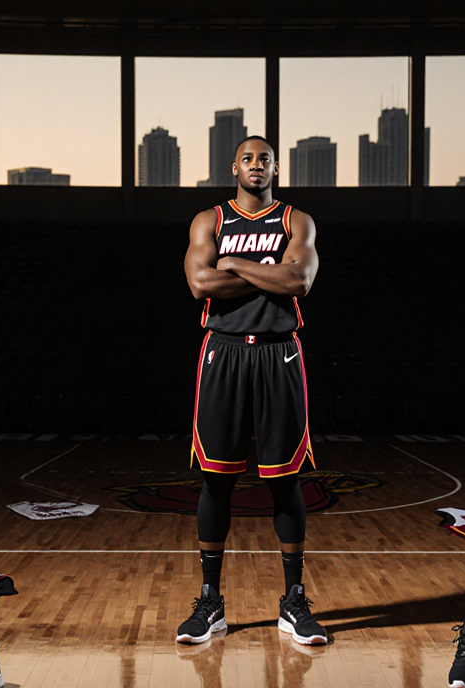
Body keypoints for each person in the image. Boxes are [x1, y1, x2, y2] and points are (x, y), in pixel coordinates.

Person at [177, 136, 326, 646]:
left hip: (278, 352)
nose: (256, 165)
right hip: (223, 353)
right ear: (233, 166)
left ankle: (293, 601)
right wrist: (268, 273)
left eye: (265, 159)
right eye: (248, 158)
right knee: (217, 479)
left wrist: (235, 266)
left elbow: (299, 280)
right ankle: (210, 602)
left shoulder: (295, 220)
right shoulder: (209, 220)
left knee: (284, 479)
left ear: (276, 168)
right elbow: (200, 284)